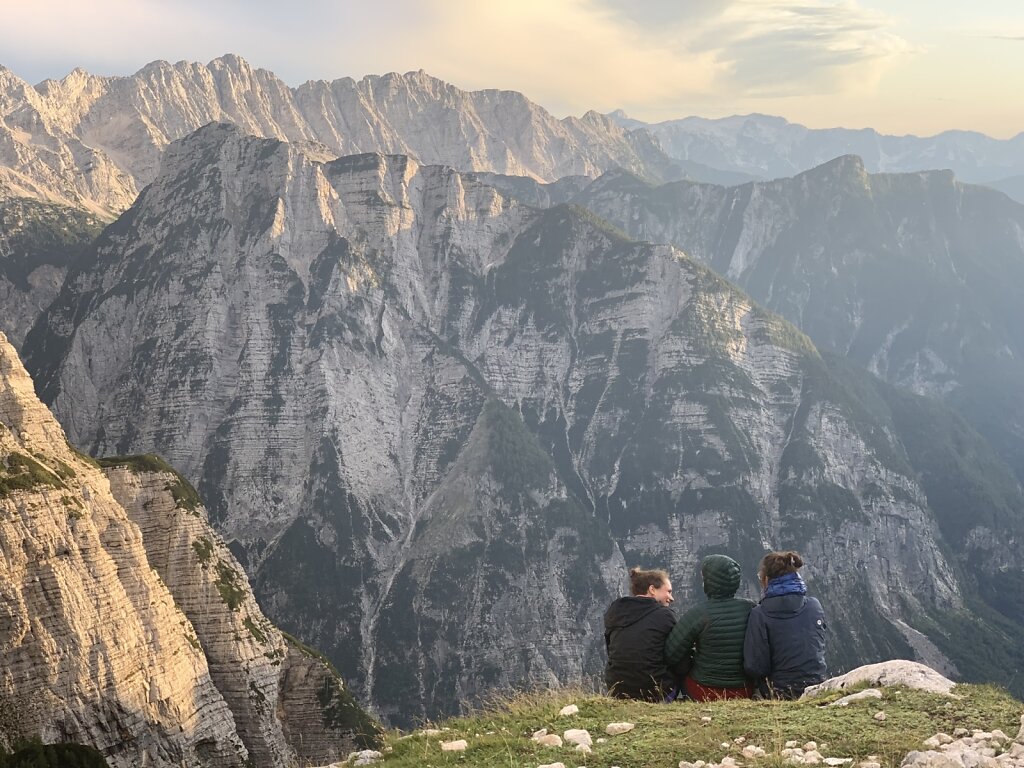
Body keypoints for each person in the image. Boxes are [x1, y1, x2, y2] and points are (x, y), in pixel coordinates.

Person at [664, 554, 755, 701]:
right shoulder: (751, 608)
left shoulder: (699, 613)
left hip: (703, 690)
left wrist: (691, 660)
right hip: (745, 689)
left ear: (709, 582)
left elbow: (671, 653)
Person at [743, 550, 827, 699]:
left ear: (767, 580)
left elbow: (755, 667)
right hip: (817, 687)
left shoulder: (760, 614)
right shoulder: (814, 605)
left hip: (779, 692)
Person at [604, 566, 678, 701]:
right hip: (654, 692)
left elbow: (610, 649)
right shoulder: (665, 615)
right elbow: (678, 655)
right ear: (652, 590)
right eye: (668, 591)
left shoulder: (615, 612)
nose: (671, 598)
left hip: (617, 690)